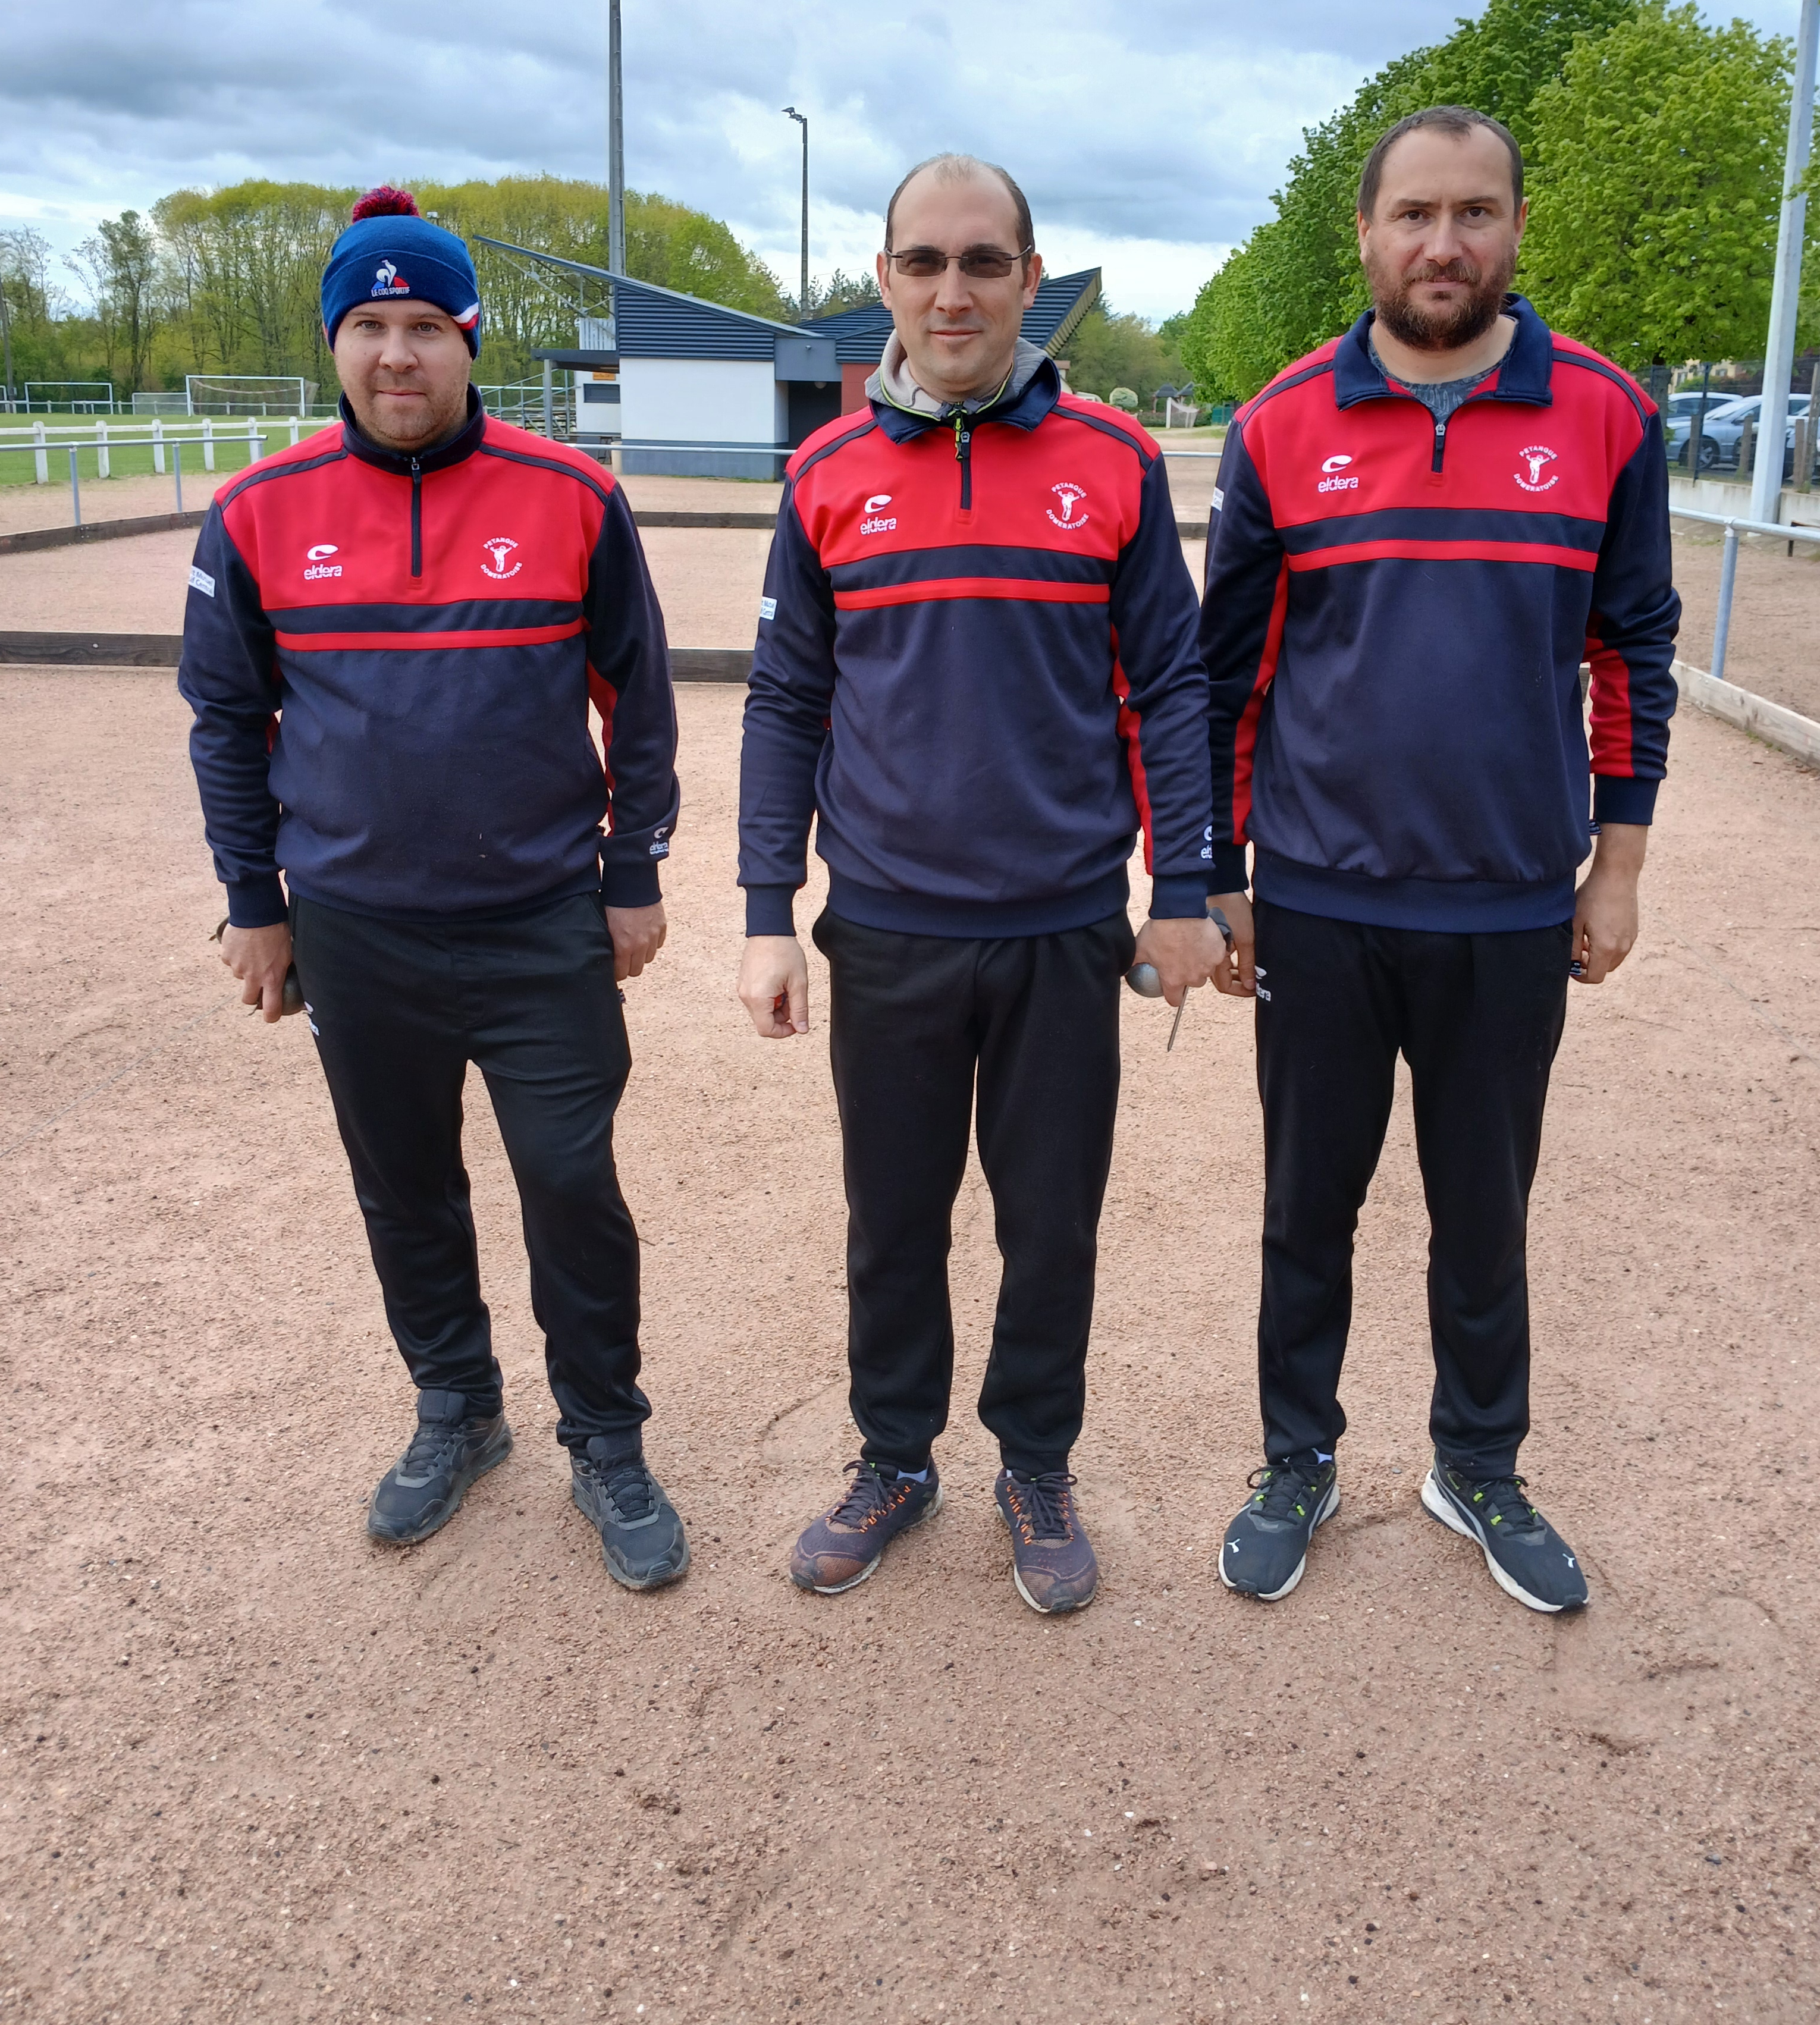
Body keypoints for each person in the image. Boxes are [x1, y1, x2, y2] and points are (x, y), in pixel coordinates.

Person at [1200, 106, 1679, 1615]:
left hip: (1513, 901)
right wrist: (1220, 876)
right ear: (1367, 232)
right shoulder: (1281, 424)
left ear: (1515, 229)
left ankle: (1477, 1464)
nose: (1443, 244)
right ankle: (1297, 1457)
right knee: (1308, 1207)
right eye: (1415, 214)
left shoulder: (1607, 415)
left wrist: (1619, 867)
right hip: (1325, 903)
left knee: (1486, 1206)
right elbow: (1227, 677)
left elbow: (1633, 649)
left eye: (1475, 214)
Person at [178, 187, 691, 1592]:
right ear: (336, 343)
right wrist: (253, 899)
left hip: (539, 919)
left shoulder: (571, 495)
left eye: (424, 326)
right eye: (368, 327)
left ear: (470, 338)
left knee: (571, 1180)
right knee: (404, 1187)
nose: (397, 355)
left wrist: (632, 867)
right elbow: (225, 721)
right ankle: (458, 1409)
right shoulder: (260, 513)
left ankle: (605, 1436)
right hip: (356, 927)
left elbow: (637, 700)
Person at [736, 152, 1227, 1615]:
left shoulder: (1116, 465)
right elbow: (784, 702)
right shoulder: (824, 474)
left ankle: (1036, 1463)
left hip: (1062, 927)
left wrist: (1184, 886)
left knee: (1050, 1220)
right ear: (882, 280)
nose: (954, 291)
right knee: (891, 1216)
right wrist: (768, 913)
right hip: (885, 924)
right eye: (924, 262)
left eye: (985, 262)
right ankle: (893, 1456)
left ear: (1033, 278)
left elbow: (1173, 686)